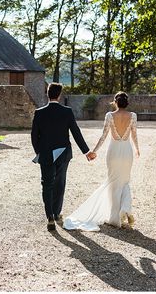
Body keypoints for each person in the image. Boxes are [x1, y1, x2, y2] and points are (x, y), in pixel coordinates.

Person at [63, 91, 140, 231]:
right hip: (127, 151)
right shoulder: (133, 116)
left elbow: (103, 136)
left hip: (114, 151)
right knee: (125, 181)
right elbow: (134, 135)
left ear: (115, 102)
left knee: (113, 182)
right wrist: (137, 149)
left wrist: (94, 151)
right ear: (126, 102)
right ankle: (125, 209)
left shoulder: (110, 116)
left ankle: (115, 217)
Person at [31, 82, 96, 232]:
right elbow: (75, 132)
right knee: (60, 182)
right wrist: (86, 152)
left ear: (47, 94)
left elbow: (34, 136)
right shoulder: (67, 111)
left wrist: (38, 152)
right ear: (59, 95)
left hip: (46, 153)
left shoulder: (39, 112)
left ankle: (50, 217)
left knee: (47, 184)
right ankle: (57, 212)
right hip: (63, 153)